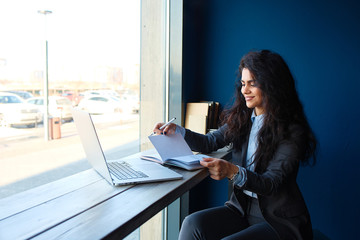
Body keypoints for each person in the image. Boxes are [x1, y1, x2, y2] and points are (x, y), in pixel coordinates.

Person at [153, 50, 317, 240]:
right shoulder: (243, 119)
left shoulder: (292, 130)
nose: (244, 90)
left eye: (252, 84)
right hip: (242, 209)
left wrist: (233, 172)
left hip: (278, 221)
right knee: (192, 223)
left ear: (272, 85)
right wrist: (178, 131)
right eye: (243, 84)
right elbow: (210, 142)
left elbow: (271, 183)